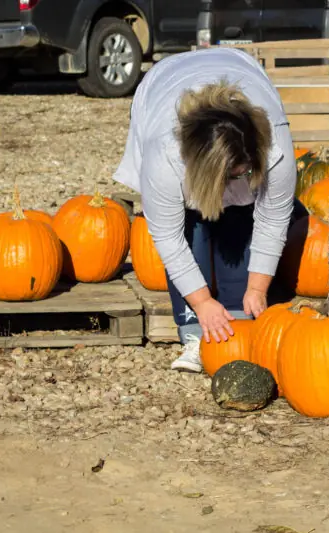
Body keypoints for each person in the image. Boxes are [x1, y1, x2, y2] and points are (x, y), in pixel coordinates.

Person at [112, 46, 305, 373]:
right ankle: (193, 336)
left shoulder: (276, 148)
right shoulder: (164, 158)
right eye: (234, 175)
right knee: (192, 226)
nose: (242, 178)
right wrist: (201, 303)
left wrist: (257, 288)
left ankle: (239, 319)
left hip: (237, 66)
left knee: (240, 218)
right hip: (165, 83)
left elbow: (272, 220)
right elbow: (169, 239)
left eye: (247, 171)